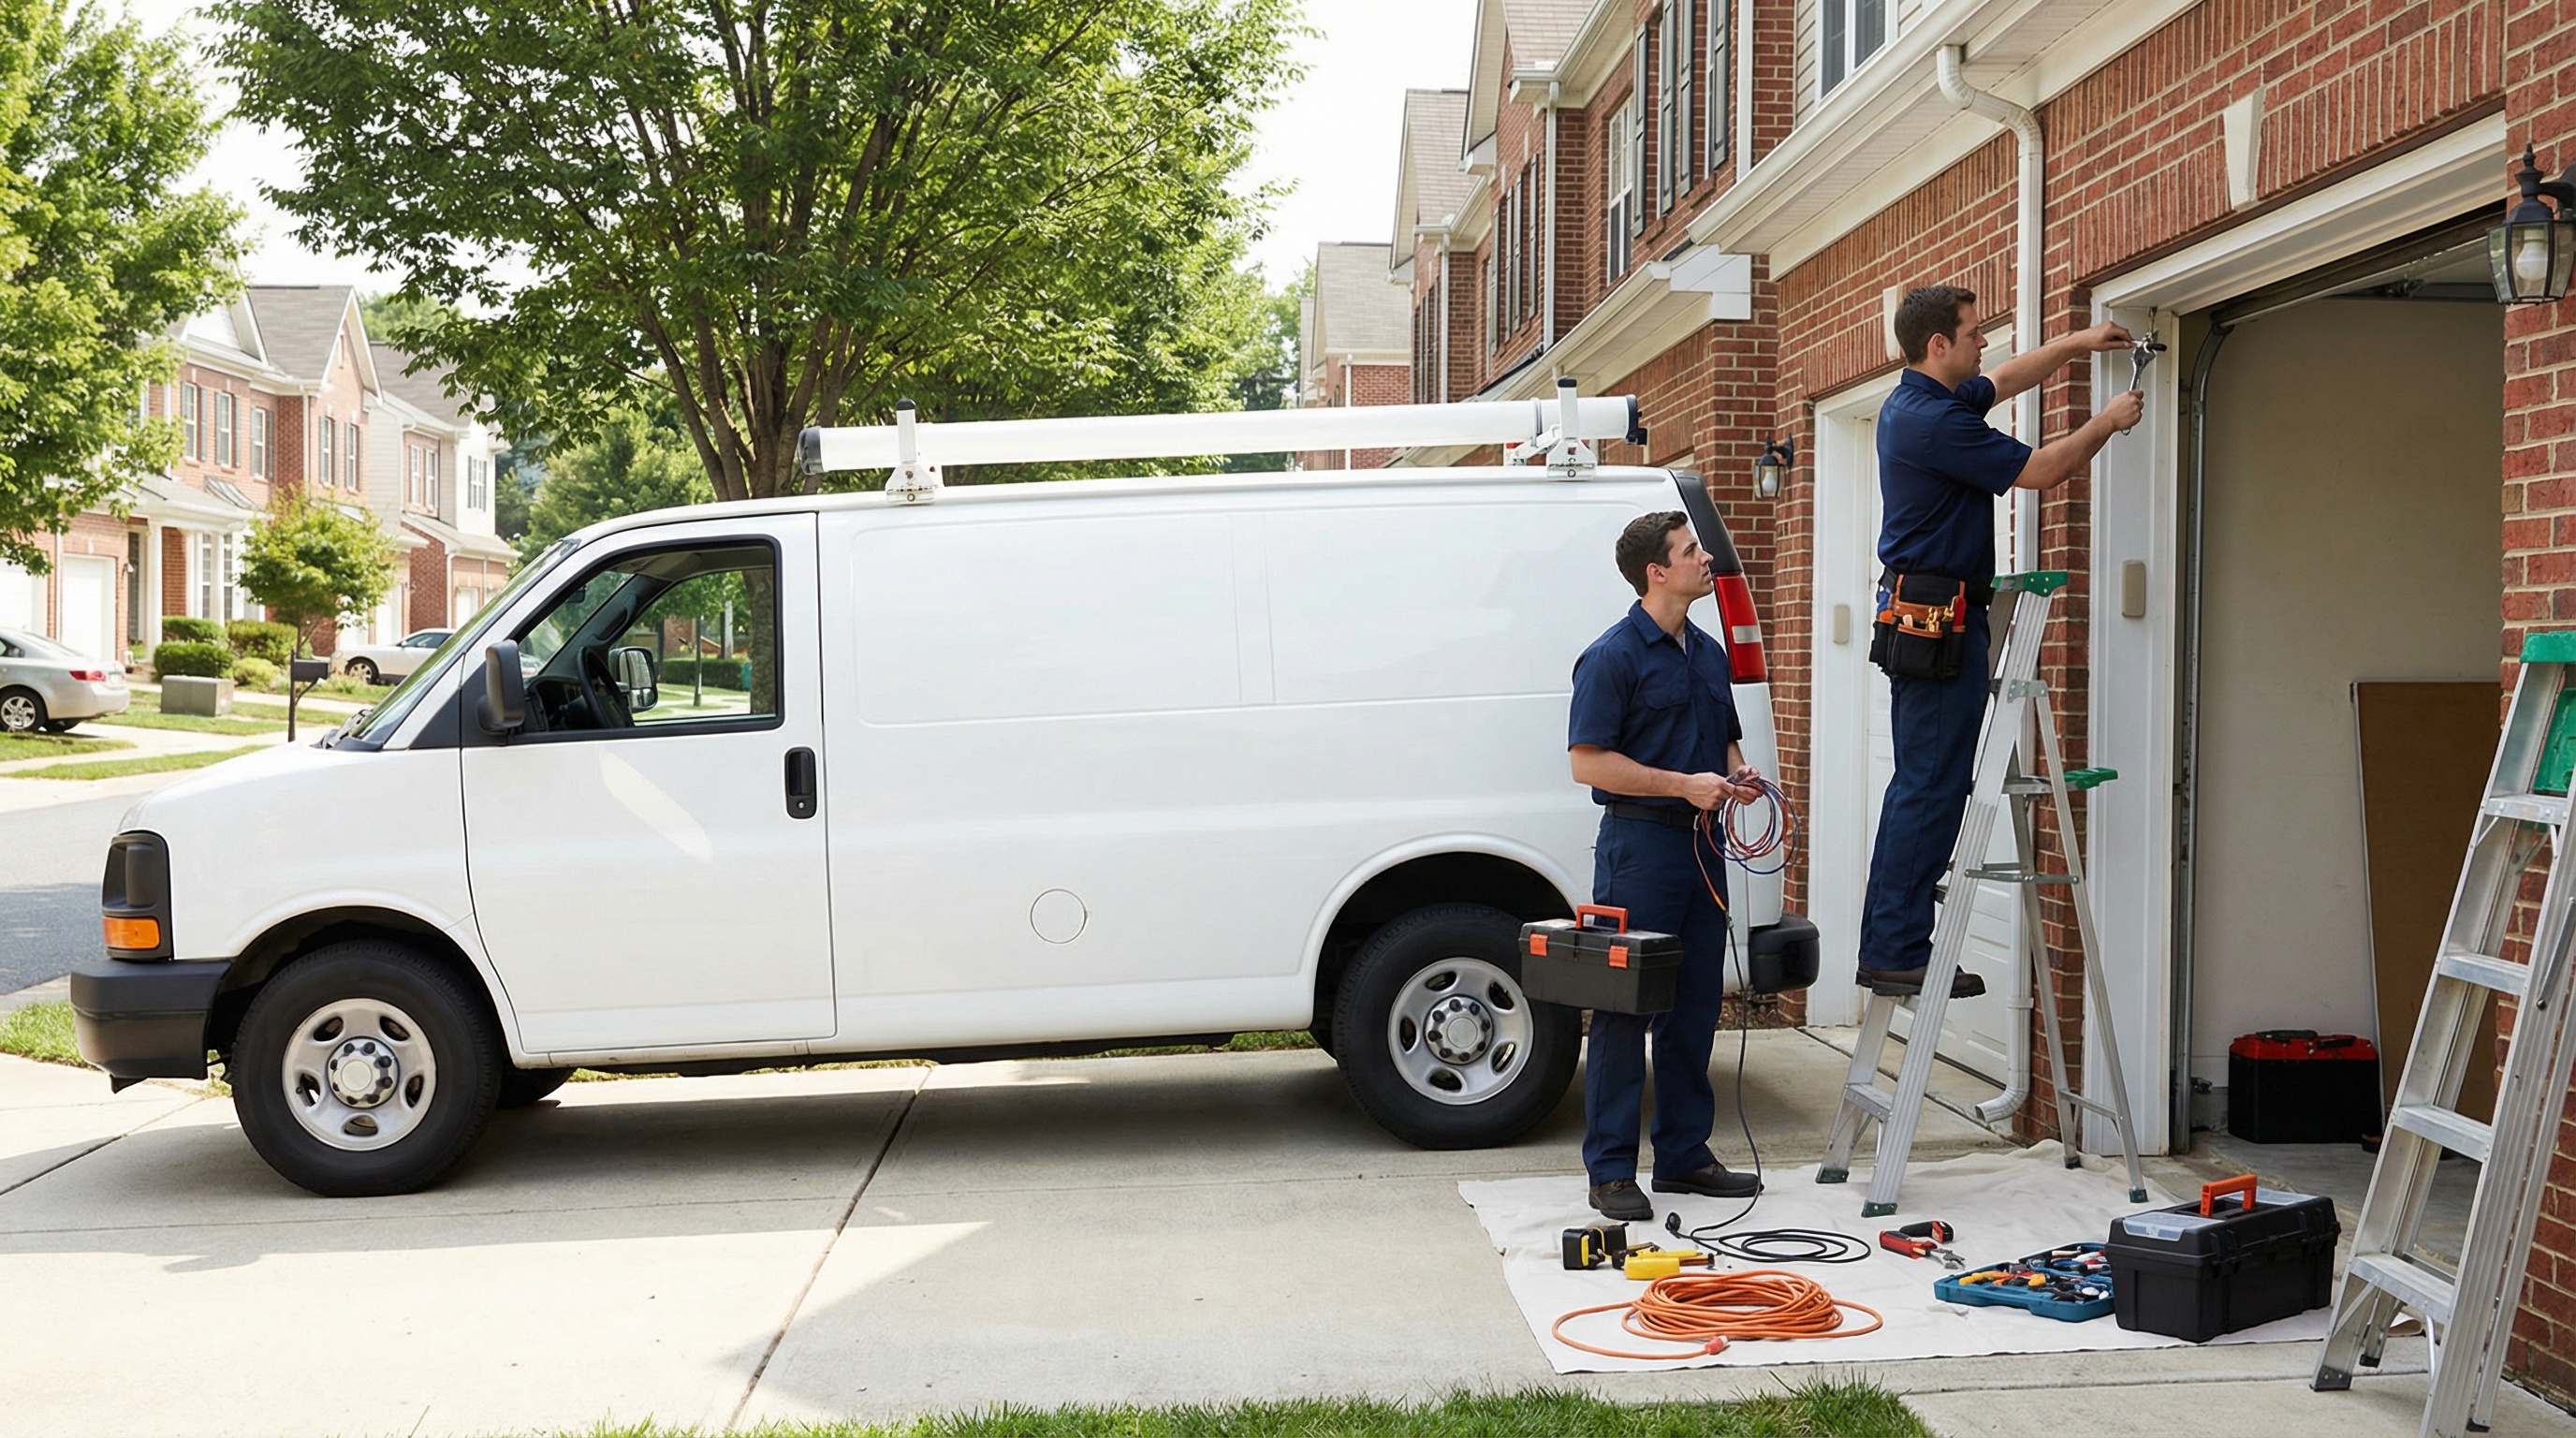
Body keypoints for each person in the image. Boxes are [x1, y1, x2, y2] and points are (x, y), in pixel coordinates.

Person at [1855, 286, 2144, 996]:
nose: (1984, 344)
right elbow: (2042, 472)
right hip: (1940, 621)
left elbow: (2007, 378)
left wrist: (2076, 344)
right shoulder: (1933, 424)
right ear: (1938, 346)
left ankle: (1893, 942)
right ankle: (1897, 949)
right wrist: (2107, 420)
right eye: (1974, 333)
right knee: (1931, 788)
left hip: (1934, 613)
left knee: (1922, 784)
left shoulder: (1925, 402)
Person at [1566, 511, 1763, 1222]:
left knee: (1694, 1008)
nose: (1705, 558)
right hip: (1639, 850)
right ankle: (1612, 1172)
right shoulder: (1612, 656)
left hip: (1704, 850)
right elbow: (1588, 762)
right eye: (1690, 551)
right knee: (1625, 1010)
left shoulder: (1707, 654)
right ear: (1657, 571)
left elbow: (1725, 738)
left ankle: (1684, 1157)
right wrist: (1684, 785)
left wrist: (1740, 775)